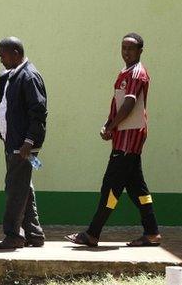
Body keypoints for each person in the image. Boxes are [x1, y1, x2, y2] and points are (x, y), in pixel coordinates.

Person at [66, 33, 161, 248]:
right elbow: (118, 104)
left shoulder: (138, 73)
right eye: (123, 48)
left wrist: (111, 126)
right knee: (139, 190)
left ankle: (92, 233)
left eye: (131, 48)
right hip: (122, 137)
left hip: (130, 138)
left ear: (140, 51)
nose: (126, 52)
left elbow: (129, 104)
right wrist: (108, 124)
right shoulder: (125, 72)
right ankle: (152, 232)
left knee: (111, 187)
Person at [0, 37, 47, 249]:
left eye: (3, 55)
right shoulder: (11, 76)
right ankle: (34, 233)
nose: (1, 60)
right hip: (12, 142)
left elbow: (39, 112)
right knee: (24, 186)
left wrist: (29, 141)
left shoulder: (29, 76)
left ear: (16, 53)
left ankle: (13, 235)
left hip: (23, 145)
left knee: (15, 188)